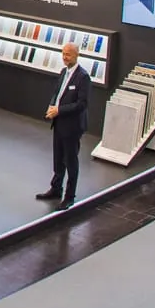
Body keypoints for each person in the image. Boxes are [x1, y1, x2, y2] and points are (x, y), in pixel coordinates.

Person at [37, 40, 91, 208]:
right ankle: (56, 188)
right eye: (63, 54)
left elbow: (82, 104)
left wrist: (59, 110)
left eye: (68, 54)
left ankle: (69, 196)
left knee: (70, 160)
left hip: (72, 126)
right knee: (58, 158)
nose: (65, 57)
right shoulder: (63, 72)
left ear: (76, 55)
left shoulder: (83, 77)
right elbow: (57, 93)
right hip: (59, 123)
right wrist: (52, 106)